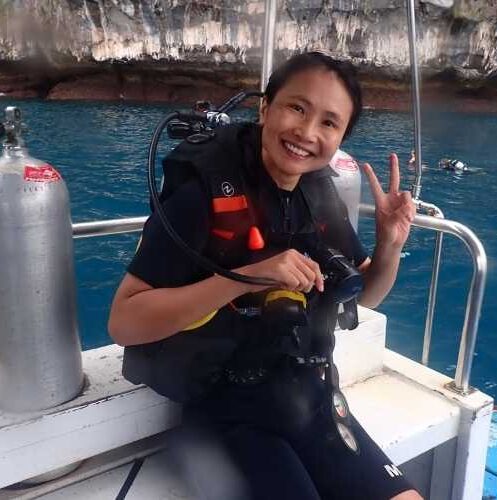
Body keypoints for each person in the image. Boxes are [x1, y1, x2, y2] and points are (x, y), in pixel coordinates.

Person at [109, 52, 420, 500]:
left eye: (329, 123)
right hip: (227, 410)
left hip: (309, 397)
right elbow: (124, 321)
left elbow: (364, 296)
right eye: (297, 107)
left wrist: (389, 244)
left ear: (340, 138)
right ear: (265, 107)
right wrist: (248, 277)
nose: (307, 132)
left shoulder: (317, 192)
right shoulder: (202, 195)